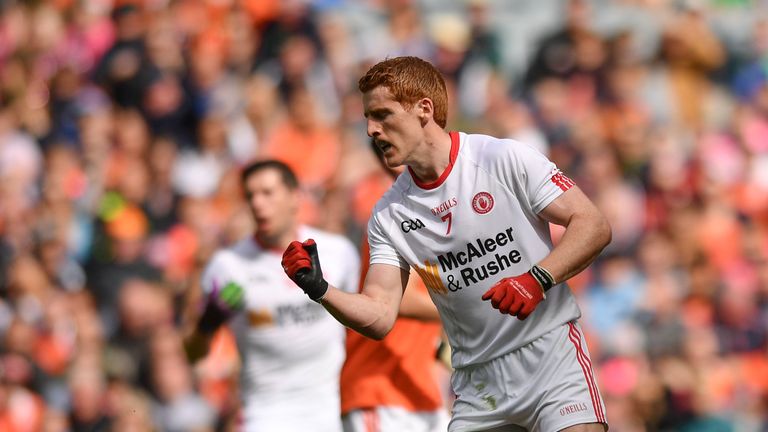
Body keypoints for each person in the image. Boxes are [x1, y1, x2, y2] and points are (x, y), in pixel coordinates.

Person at [281, 56, 612, 432]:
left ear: (425, 109)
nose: (372, 130)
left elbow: (593, 224)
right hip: (478, 386)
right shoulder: (388, 215)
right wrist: (321, 289)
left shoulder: (501, 158)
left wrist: (537, 278)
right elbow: (380, 314)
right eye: (367, 119)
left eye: (383, 115)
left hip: (551, 359)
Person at [186, 160, 360, 431]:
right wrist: (208, 321)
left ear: (294, 197)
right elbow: (193, 353)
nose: (257, 203)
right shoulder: (228, 266)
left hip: (333, 413)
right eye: (250, 196)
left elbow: (362, 327)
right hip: (265, 415)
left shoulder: (338, 253)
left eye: (267, 193)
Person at [340, 139, 449, 432]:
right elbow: (402, 300)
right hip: (379, 391)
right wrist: (468, 313)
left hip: (420, 391)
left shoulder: (438, 216)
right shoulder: (392, 217)